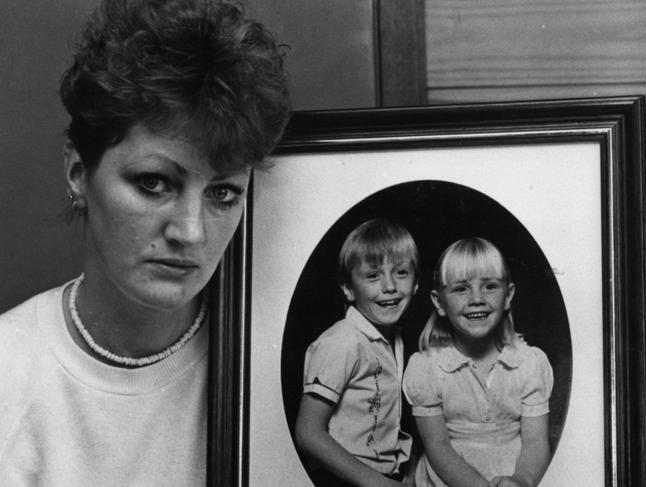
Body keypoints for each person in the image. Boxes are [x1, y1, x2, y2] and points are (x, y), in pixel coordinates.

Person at [0, 0, 290, 484]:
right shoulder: (9, 370)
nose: (191, 232)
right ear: (78, 172)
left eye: (222, 193)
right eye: (154, 183)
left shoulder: (271, 369)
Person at [402, 237, 553, 487]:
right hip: (451, 478)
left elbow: (536, 442)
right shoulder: (427, 367)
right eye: (461, 288)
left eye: (490, 286)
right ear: (439, 302)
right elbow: (437, 447)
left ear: (508, 296)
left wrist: (522, 480)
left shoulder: (529, 362)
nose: (477, 298)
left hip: (513, 475)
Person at [295, 219, 419, 487]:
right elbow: (308, 433)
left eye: (400, 273)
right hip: (342, 479)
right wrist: (377, 483)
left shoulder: (392, 339)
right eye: (373, 275)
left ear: (416, 284)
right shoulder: (342, 341)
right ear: (349, 289)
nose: (389, 286)